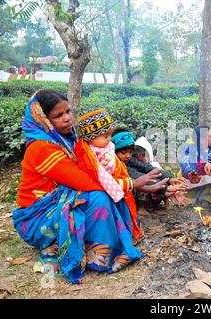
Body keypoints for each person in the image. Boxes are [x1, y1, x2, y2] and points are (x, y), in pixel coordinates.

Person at [12, 91, 141, 284]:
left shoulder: (66, 139)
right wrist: (130, 184)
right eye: (58, 116)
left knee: (103, 193)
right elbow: (85, 181)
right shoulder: (42, 148)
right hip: (36, 220)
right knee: (99, 196)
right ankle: (96, 255)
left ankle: (98, 245)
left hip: (55, 204)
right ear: (43, 120)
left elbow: (96, 170)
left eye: (68, 112)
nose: (67, 118)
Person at [74, 109, 162, 240]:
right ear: (91, 137)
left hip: (117, 186)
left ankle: (126, 233)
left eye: (110, 135)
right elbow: (100, 176)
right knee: (113, 218)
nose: (109, 139)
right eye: (105, 136)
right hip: (107, 189)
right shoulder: (88, 154)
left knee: (122, 214)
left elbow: (123, 168)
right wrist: (129, 184)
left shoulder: (108, 147)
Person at [112, 131, 189, 212]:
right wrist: (166, 188)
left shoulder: (130, 160)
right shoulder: (115, 165)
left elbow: (147, 167)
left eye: (130, 152)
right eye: (123, 153)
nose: (128, 156)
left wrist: (170, 179)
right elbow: (138, 176)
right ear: (114, 152)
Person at [179, 125, 211, 206]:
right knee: (189, 200)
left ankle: (207, 198)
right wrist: (191, 171)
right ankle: (189, 199)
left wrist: (208, 162)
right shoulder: (189, 147)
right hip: (192, 177)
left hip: (207, 179)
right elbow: (186, 160)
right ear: (202, 140)